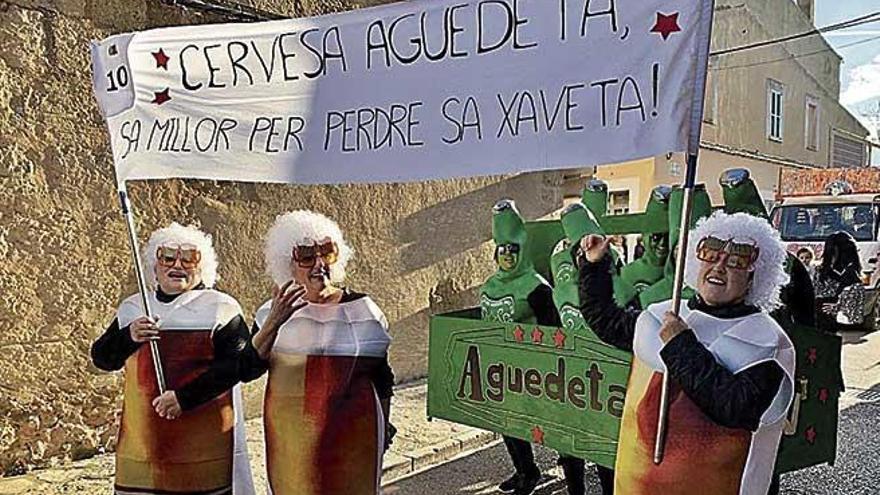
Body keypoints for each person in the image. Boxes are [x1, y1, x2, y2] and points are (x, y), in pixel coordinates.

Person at [577, 211, 795, 495]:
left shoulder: (767, 343)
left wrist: (680, 344)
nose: (719, 267)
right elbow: (605, 321)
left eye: (736, 261)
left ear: (755, 276)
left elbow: (734, 408)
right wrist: (594, 265)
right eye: (711, 254)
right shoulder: (665, 315)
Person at [91, 223, 255, 495]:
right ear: (154, 266)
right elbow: (102, 359)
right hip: (142, 447)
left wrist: (184, 398)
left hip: (203, 447)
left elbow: (237, 367)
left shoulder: (220, 308)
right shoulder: (134, 307)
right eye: (167, 257)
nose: (177, 264)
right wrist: (128, 336)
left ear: (202, 267)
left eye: (189, 258)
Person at [243, 210, 394, 495]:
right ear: (288, 263)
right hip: (292, 443)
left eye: (327, 253)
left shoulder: (364, 310)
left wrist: (384, 427)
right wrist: (274, 322)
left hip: (355, 436)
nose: (319, 264)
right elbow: (248, 369)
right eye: (307, 256)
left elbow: (382, 378)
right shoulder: (270, 312)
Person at [481, 200, 587, 495]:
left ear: (522, 250)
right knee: (509, 423)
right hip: (502, 370)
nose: (507, 256)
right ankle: (526, 472)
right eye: (501, 249)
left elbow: (555, 332)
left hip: (539, 373)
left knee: (559, 430)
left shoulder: (536, 287)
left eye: (512, 249)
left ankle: (576, 486)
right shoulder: (490, 285)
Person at [813, 231, 866, 332]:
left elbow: (855, 312)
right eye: (831, 253)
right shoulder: (820, 270)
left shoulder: (851, 274)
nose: (832, 258)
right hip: (818, 318)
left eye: (834, 253)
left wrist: (839, 307)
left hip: (832, 321)